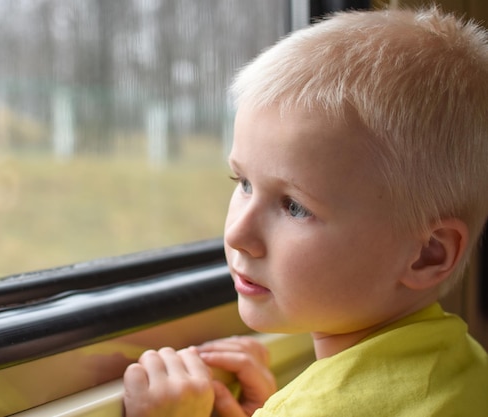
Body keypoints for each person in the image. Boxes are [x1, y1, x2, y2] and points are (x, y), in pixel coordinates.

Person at [123, 6, 488, 417]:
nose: (237, 235)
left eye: (295, 207)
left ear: (428, 254)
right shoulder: (467, 365)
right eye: (242, 183)